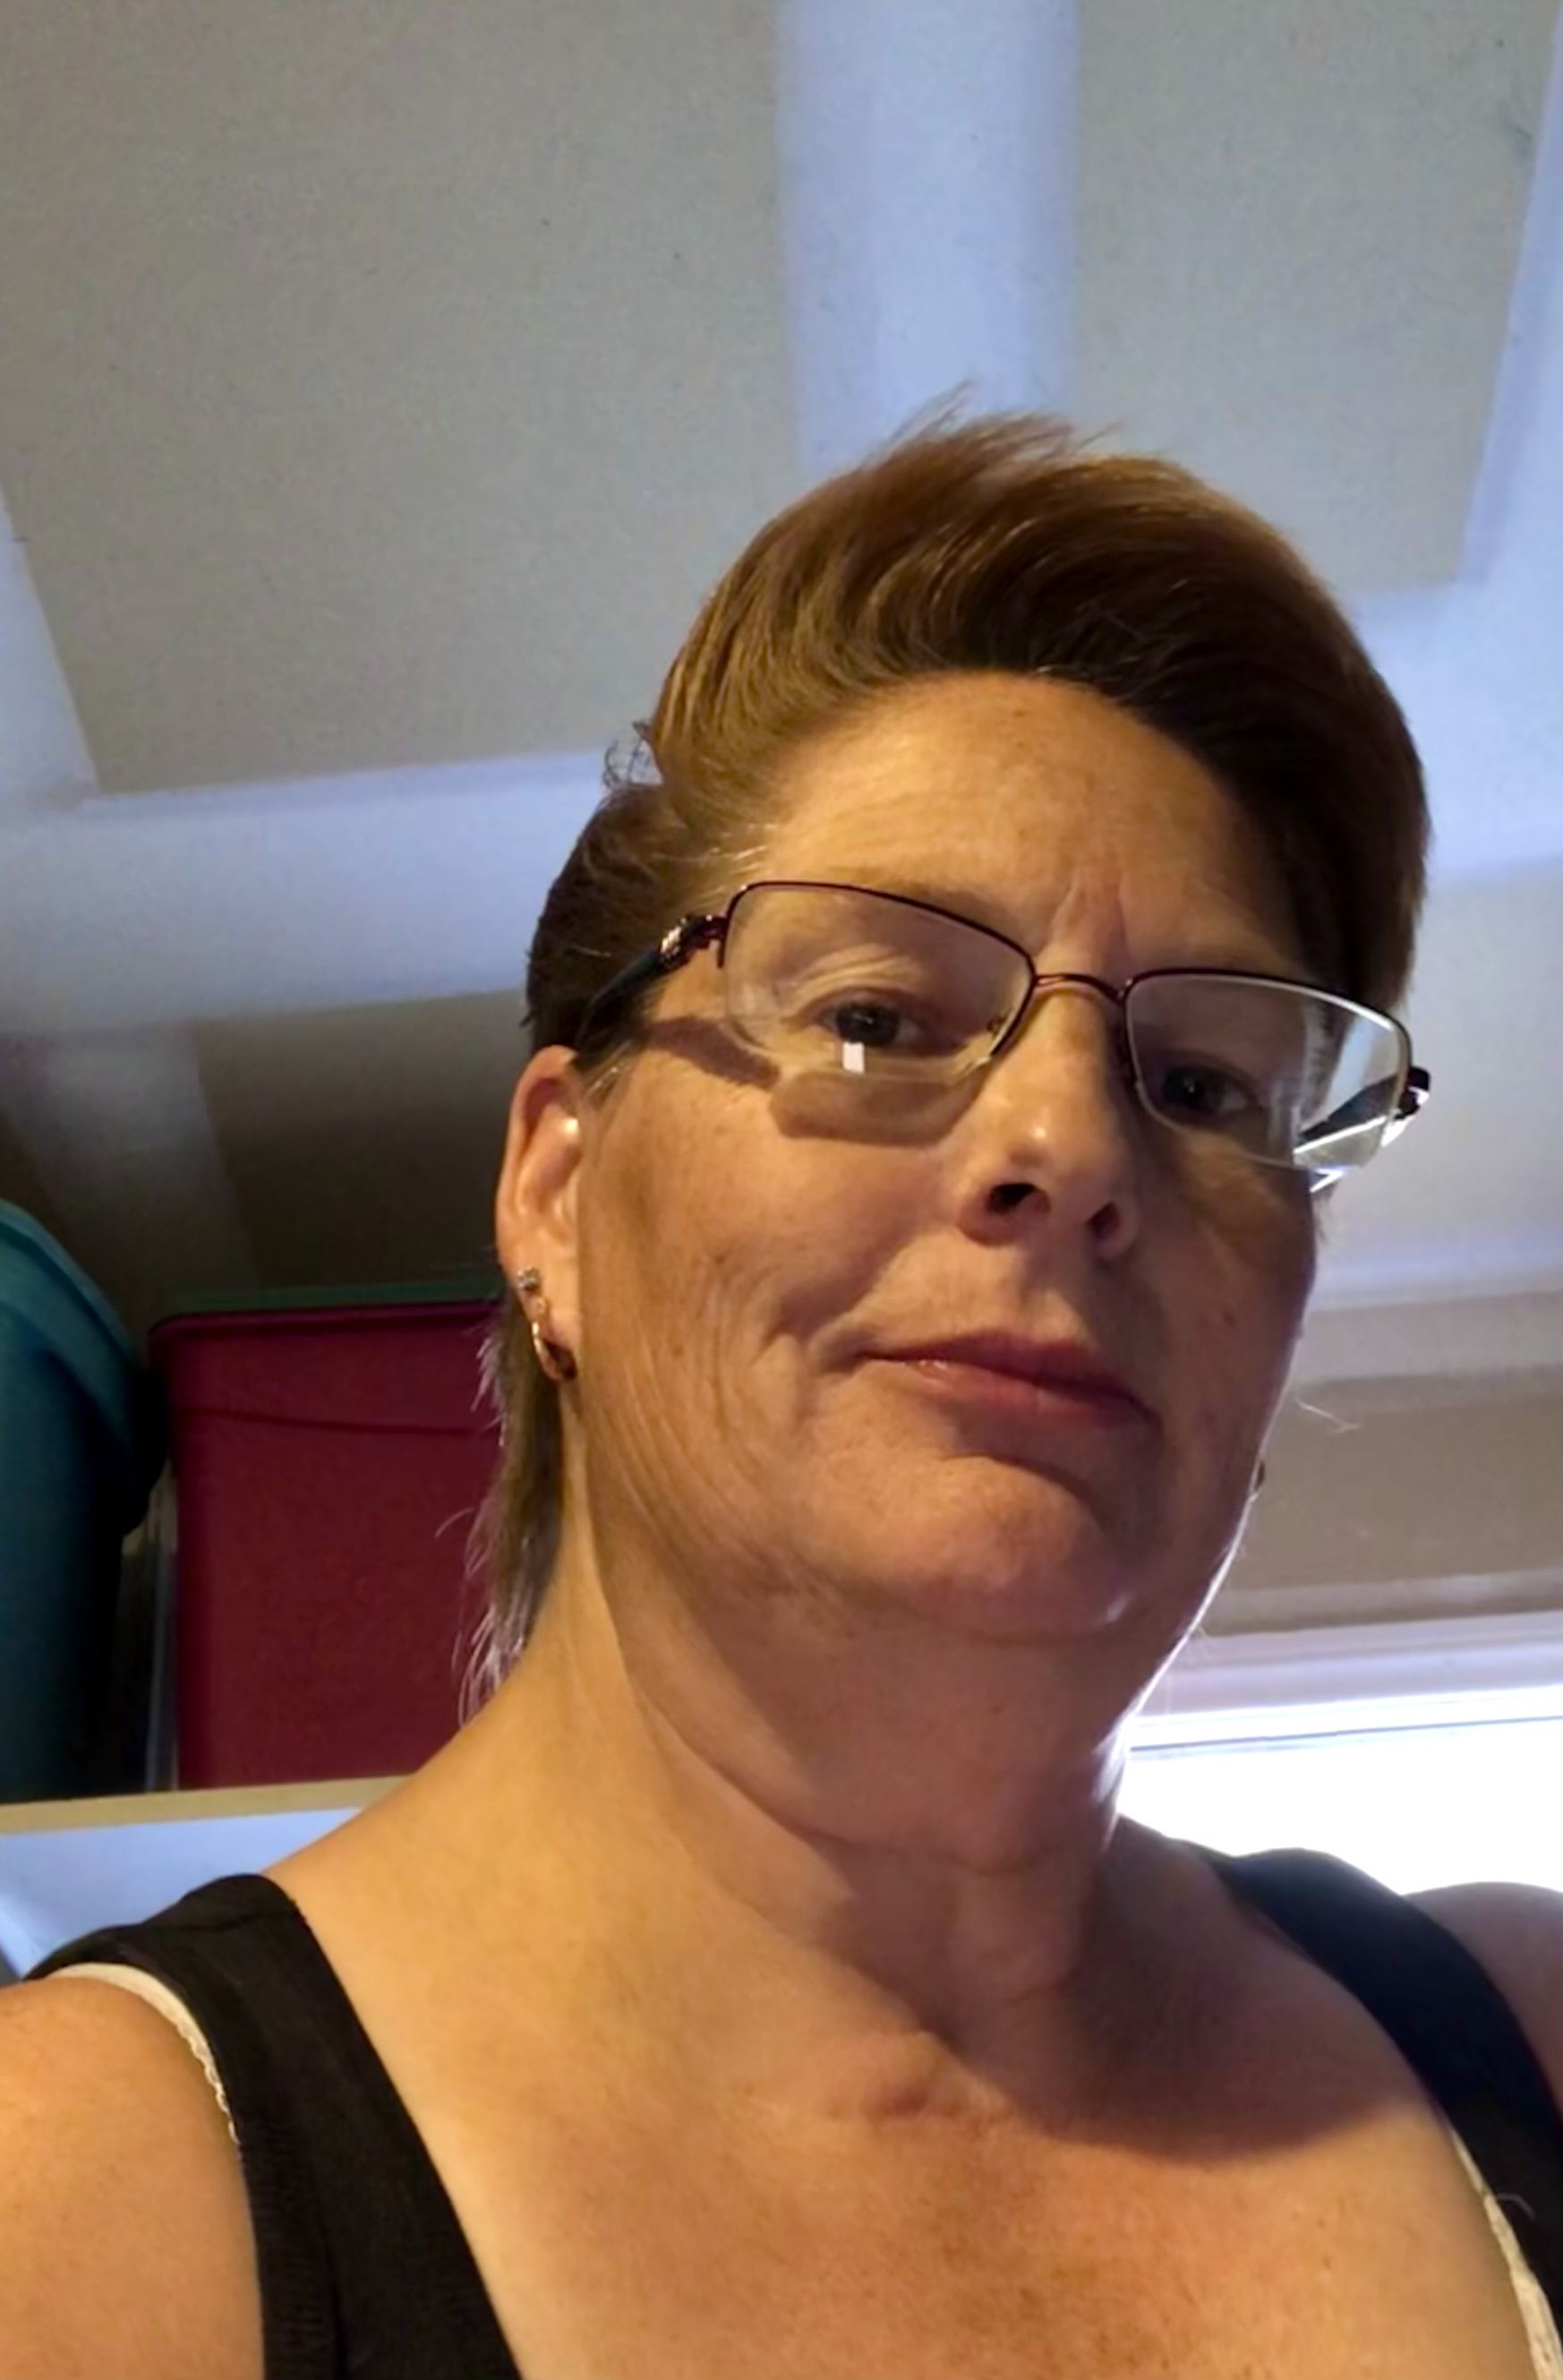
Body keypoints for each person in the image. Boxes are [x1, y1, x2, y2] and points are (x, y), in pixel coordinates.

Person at [4, 415, 1561, 2380]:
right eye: (876, 1016)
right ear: (557, 1190)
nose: (1075, 1144)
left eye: (1200, 1087)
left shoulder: (1519, 2042)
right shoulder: (69, 2198)